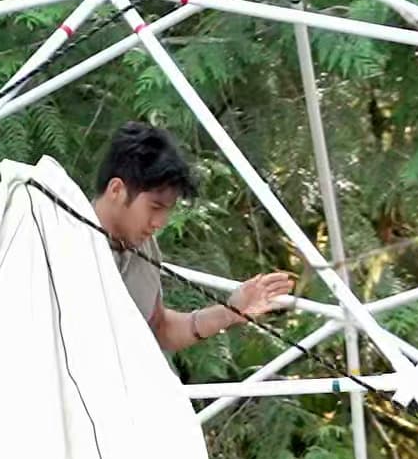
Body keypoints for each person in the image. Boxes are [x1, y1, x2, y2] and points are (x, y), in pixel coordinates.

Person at [84, 121, 297, 357]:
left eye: (167, 211)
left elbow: (160, 329)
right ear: (116, 190)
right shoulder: (64, 240)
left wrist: (231, 312)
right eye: (155, 207)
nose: (159, 223)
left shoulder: (145, 246)